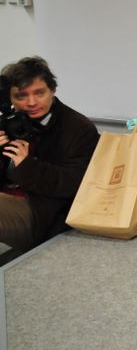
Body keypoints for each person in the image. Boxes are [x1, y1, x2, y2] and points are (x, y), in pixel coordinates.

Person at [0, 56, 100, 256]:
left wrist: (27, 166)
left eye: (40, 93)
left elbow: (76, 184)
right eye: (21, 96)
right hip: (14, 196)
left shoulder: (78, 128)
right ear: (10, 99)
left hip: (48, 214)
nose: (32, 102)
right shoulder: (10, 123)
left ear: (53, 90)